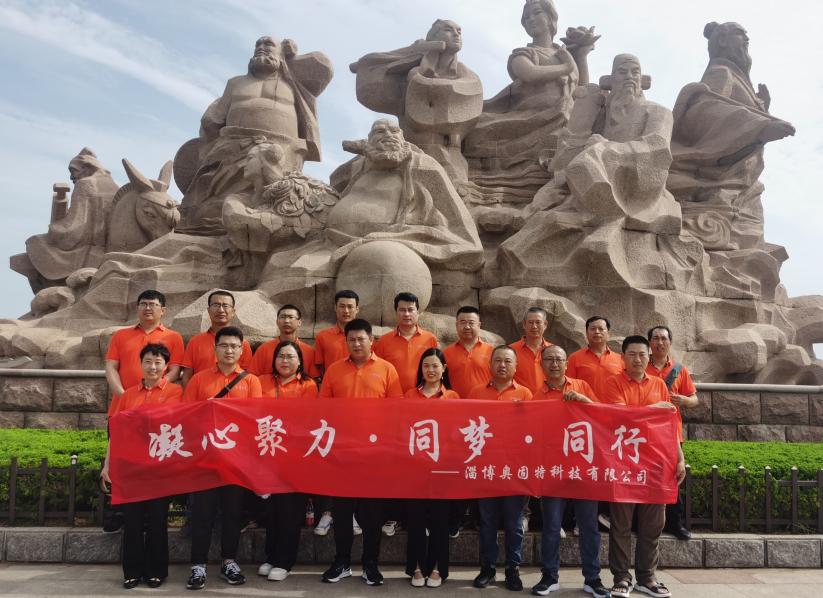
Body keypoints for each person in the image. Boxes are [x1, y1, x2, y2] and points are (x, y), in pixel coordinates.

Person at [177, 35, 333, 234]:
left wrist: (293, 57)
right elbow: (214, 120)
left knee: (275, 198)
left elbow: (324, 66)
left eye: (269, 44)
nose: (261, 47)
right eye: (258, 44)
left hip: (281, 150)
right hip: (233, 146)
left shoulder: (294, 84)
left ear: (281, 53)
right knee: (215, 200)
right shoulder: (235, 83)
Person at [318, 318, 403, 586]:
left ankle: (370, 564)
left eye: (361, 339)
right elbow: (323, 410)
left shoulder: (387, 369)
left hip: (374, 455)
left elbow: (396, 411)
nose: (356, 344)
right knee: (342, 513)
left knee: (372, 514)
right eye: (351, 340)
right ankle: (341, 562)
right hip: (343, 453)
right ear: (346, 342)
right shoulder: (334, 370)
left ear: (371, 340)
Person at [601, 336, 686, 598]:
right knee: (621, 524)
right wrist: (654, 408)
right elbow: (622, 417)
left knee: (653, 525)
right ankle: (621, 577)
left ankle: (647, 578)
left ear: (649, 357)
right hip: (623, 461)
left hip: (656, 464)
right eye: (632, 354)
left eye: (642, 354)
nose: (637, 359)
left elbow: (669, 424)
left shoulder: (659, 384)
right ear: (622, 358)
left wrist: (679, 458)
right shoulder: (612, 383)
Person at [183, 326, 262, 591]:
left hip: (235, 461)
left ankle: (230, 561)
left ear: (242, 350)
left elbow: (254, 419)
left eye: (234, 346)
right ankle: (198, 565)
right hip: (206, 459)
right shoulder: (199, 380)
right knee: (202, 514)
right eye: (224, 345)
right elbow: (187, 416)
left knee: (232, 514)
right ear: (215, 349)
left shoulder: (251, 381)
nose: (229, 350)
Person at [100, 343, 183, 589]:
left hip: (159, 467)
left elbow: (174, 423)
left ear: (166, 366)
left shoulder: (175, 391)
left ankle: (156, 571)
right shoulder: (127, 395)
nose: (152, 366)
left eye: (158, 362)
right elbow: (116, 431)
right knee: (133, 521)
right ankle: (132, 571)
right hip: (131, 467)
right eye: (148, 361)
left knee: (157, 520)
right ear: (140, 364)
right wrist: (107, 464)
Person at [531, 345, 609, 597]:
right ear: (542, 364)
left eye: (559, 359)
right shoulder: (537, 396)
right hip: (553, 470)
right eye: (549, 359)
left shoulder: (582, 386)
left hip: (583, 469)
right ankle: (549, 576)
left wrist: (584, 401)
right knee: (552, 526)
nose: (554, 364)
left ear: (567, 364)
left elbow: (603, 417)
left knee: (589, 526)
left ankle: (593, 578)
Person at [374, 291, 439, 537]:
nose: (407, 313)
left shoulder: (430, 338)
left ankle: (421, 518)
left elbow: (435, 369)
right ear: (396, 312)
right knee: (396, 465)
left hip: (424, 411)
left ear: (418, 312)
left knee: (422, 464)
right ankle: (394, 516)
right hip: (393, 413)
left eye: (411, 309)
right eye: (402, 309)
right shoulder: (384, 342)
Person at [468, 345, 533, 591]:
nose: (502, 365)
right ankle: (487, 568)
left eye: (507, 361)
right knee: (487, 522)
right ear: (490, 364)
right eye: (498, 361)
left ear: (516, 366)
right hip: (486, 468)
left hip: (513, 470)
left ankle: (512, 569)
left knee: (514, 523)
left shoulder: (525, 394)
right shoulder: (476, 392)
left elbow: (532, 431)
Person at [257, 340, 317, 583]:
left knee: (290, 511)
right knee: (271, 511)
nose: (285, 361)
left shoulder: (308, 385)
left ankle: (284, 561)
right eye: (281, 356)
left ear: (300, 361)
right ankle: (271, 556)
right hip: (267, 453)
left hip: (295, 457)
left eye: (290, 356)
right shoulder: (261, 382)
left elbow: (307, 418)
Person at [403, 348, 458, 587]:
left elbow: (457, 432)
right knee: (415, 519)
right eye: (426, 366)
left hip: (441, 468)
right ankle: (415, 567)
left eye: (435, 365)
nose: (431, 370)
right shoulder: (409, 395)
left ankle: (437, 568)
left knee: (439, 520)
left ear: (444, 369)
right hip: (414, 468)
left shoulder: (452, 397)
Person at [647, 325, 698, 541]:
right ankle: (644, 524)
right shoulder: (640, 366)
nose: (660, 342)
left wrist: (685, 400)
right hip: (645, 433)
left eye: (663, 338)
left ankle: (675, 524)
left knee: (673, 479)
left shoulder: (679, 369)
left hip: (672, 434)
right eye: (655, 338)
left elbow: (694, 399)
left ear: (670, 342)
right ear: (649, 342)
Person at [105, 290, 184, 422]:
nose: (147, 308)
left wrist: (155, 389)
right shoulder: (120, 335)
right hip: (122, 406)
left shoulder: (174, 337)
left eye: (152, 304)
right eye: (143, 304)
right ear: (137, 308)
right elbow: (111, 367)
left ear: (163, 310)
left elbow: (175, 371)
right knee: (120, 435)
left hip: (158, 408)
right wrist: (124, 395)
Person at [180, 290, 252, 385]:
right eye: (216, 305)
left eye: (225, 305)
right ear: (208, 310)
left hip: (233, 392)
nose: (221, 310)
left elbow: (247, 376)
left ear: (233, 312)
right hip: (201, 392)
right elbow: (187, 376)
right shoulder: (195, 341)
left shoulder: (243, 343)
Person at [250, 304, 320, 379]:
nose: (286, 321)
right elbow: (252, 377)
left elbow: (315, 379)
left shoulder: (309, 352)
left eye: (291, 317)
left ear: (299, 322)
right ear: (277, 322)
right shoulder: (264, 349)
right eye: (283, 317)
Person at [443, 306, 494, 398]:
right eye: (463, 322)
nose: (467, 327)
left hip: (484, 403)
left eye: (471, 323)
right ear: (456, 325)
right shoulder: (446, 353)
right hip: (455, 403)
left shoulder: (491, 351)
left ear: (479, 325)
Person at [566, 316, 623, 398]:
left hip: (613, 405)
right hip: (584, 404)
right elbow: (569, 386)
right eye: (593, 329)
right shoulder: (574, 358)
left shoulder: (620, 359)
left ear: (608, 333)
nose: (597, 332)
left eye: (601, 329)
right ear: (586, 333)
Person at [314, 290, 360, 376]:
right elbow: (319, 368)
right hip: (332, 382)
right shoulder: (322, 336)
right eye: (342, 306)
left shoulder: (365, 337)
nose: (346, 311)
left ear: (357, 309)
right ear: (335, 308)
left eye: (350, 307)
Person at [511, 306, 553, 393]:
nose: (534, 326)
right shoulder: (511, 351)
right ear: (524, 324)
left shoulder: (554, 351)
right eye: (530, 322)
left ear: (545, 324)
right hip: (519, 399)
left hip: (548, 399)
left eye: (538, 322)